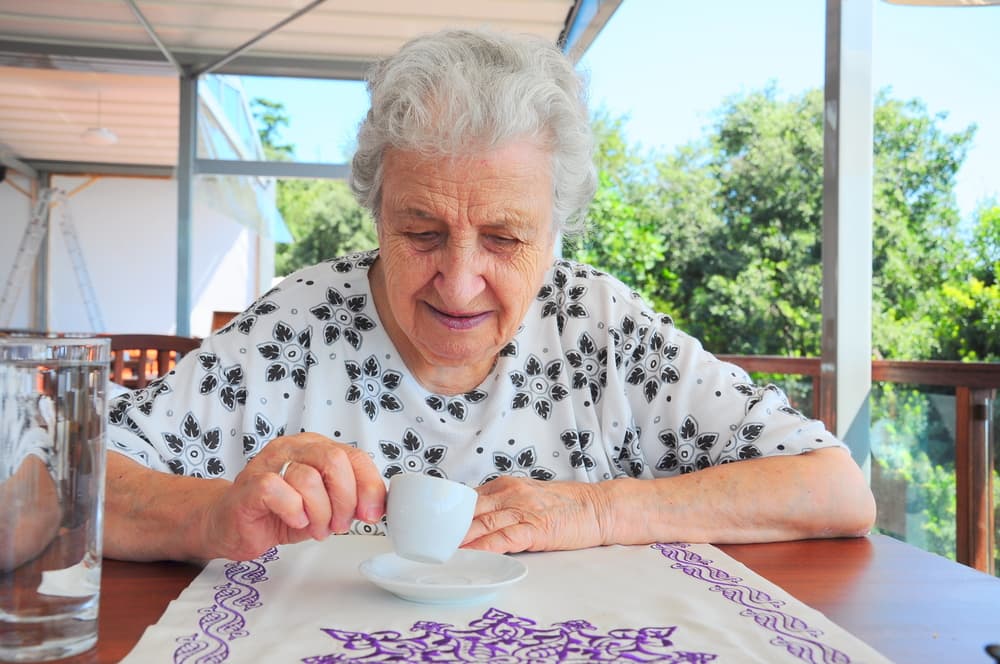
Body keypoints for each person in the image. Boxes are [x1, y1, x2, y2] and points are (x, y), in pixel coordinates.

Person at [104, 28, 875, 563]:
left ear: (555, 228)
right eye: (422, 232)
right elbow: (59, 482)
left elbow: (833, 488)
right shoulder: (298, 325)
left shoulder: (599, 326)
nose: (460, 280)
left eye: (504, 238)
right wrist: (210, 515)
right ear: (377, 212)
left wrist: (598, 509)